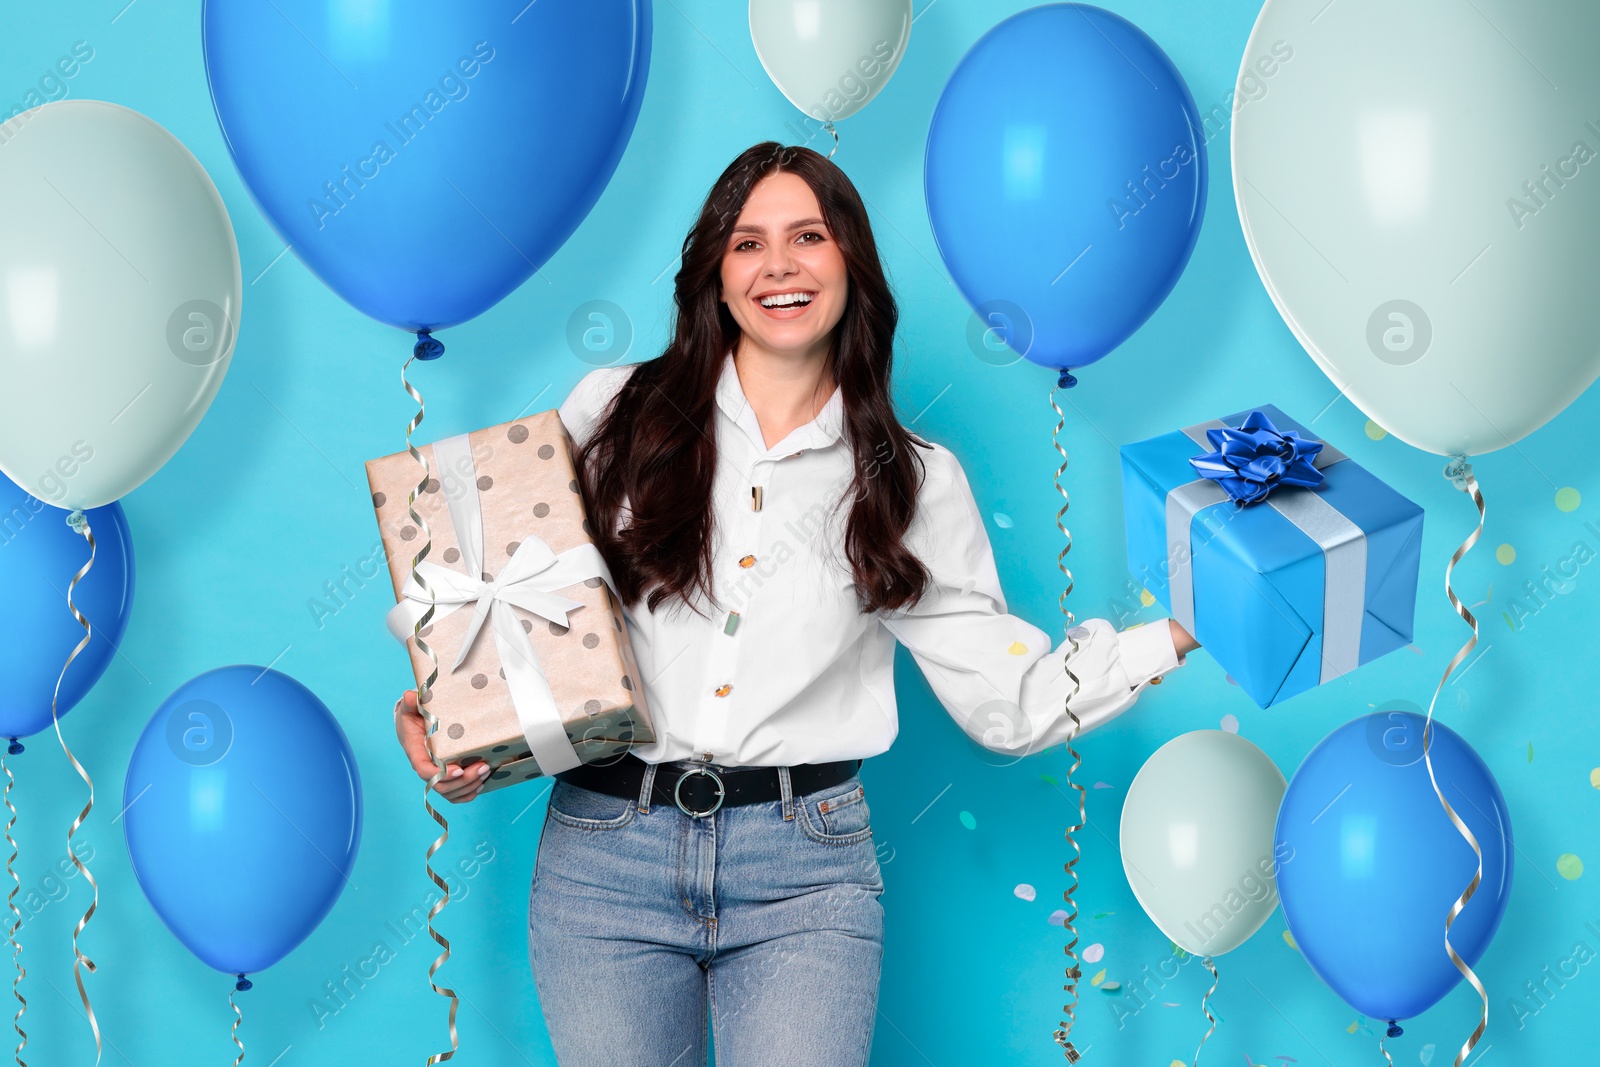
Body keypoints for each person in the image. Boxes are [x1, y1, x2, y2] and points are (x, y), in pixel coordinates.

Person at [394, 141, 1198, 1067]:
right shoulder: (613, 411)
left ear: (851, 261)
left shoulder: (915, 480)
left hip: (807, 871)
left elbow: (1008, 703)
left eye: (808, 236)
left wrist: (1176, 631)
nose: (779, 265)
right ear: (716, 275)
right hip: (605, 857)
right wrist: (453, 717)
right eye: (748, 243)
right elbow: (489, 591)